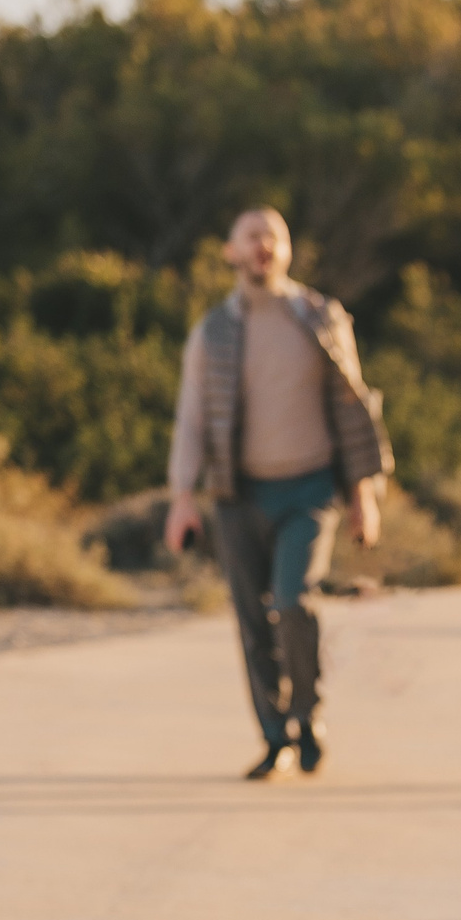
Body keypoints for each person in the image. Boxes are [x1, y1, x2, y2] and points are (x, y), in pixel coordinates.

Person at [165, 207, 393, 779]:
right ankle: (275, 737)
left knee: (293, 601)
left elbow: (354, 405)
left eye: (275, 235)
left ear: (288, 249)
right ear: (231, 251)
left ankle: (307, 713)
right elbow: (192, 418)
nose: (264, 245)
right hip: (238, 494)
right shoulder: (212, 331)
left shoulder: (320, 317)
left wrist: (365, 494)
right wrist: (181, 497)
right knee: (250, 618)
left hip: (309, 489)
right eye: (252, 236)